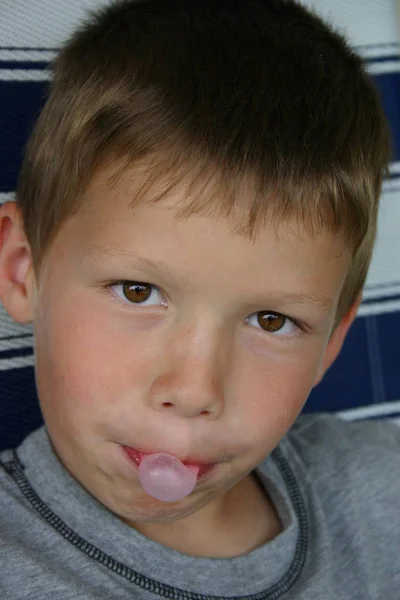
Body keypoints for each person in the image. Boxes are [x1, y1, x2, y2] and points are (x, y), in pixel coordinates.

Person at [0, 0, 399, 597]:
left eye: (272, 320)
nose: (193, 391)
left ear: (334, 340)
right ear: (23, 270)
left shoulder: (380, 484)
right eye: (138, 292)